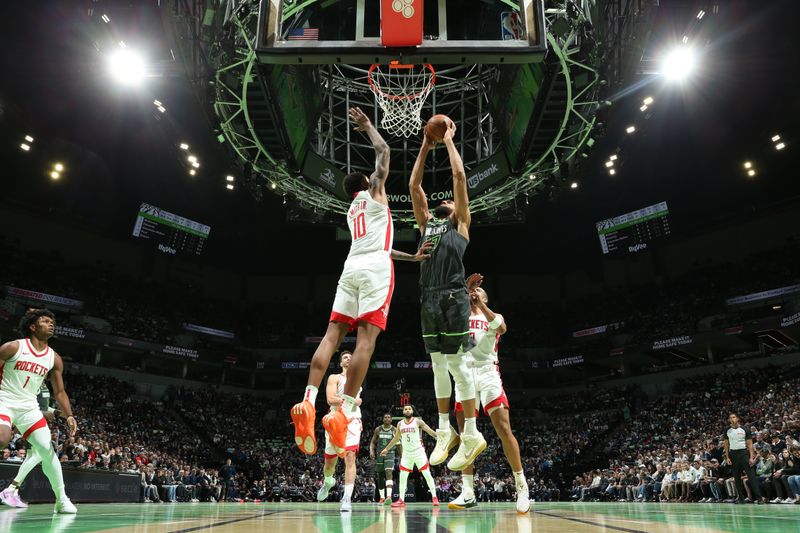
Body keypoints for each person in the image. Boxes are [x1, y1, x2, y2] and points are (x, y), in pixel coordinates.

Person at [291, 107, 431, 457]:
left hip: (351, 266)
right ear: (367, 183)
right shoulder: (375, 193)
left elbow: (379, 247)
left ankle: (308, 401)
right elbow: (385, 153)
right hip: (374, 269)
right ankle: (346, 412)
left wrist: (410, 257)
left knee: (332, 336)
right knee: (367, 338)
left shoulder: (353, 209)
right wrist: (369, 127)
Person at [408, 119, 485, 472]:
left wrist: (450, 141)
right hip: (427, 297)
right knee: (438, 364)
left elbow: (459, 180)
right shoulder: (426, 224)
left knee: (457, 364)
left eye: (451, 202)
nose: (446, 200)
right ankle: (443, 429)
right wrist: (426, 145)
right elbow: (414, 185)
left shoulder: (461, 224)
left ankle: (470, 431)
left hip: (453, 297)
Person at [448, 284, 530, 514]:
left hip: (487, 372)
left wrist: (480, 304)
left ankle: (521, 486)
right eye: (471, 292)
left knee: (504, 428)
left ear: (485, 297)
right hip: (465, 373)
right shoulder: (459, 318)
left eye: (479, 292)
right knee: (466, 435)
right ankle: (467, 491)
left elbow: (501, 328)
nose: (474, 294)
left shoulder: (493, 315)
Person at [0, 308, 78, 513]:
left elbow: (60, 392)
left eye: (52, 321)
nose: (51, 323)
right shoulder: (12, 347)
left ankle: (62, 500)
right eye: (45, 321)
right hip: (4, 400)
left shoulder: (54, 358)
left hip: (29, 407)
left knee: (46, 449)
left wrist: (69, 415)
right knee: (2, 439)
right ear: (33, 327)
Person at [0, 381, 68, 508]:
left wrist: (58, 412)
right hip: (31, 423)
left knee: (32, 456)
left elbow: (43, 406)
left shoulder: (43, 385)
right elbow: (30, 409)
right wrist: (53, 414)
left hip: (38, 424)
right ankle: (11, 489)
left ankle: (13, 492)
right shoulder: (31, 382)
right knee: (38, 456)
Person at [316, 351, 363, 512]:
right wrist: (351, 400)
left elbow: (359, 401)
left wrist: (356, 401)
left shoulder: (358, 377)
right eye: (345, 357)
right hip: (335, 420)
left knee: (350, 457)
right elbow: (330, 399)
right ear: (341, 362)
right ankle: (328, 481)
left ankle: (347, 498)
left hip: (353, 420)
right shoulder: (334, 378)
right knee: (330, 464)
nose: (349, 358)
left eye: (351, 357)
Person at [379, 405, 439, 508]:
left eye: (409, 409)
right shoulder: (399, 424)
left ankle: (434, 497)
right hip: (407, 454)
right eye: (405, 409)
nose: (407, 410)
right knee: (402, 477)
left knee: (427, 475)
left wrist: (439, 437)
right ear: (403, 411)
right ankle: (401, 500)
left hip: (418, 452)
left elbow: (429, 431)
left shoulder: (418, 421)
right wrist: (386, 449)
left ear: (412, 411)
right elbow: (396, 438)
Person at [723, 413, 764, 504]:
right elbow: (726, 444)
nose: (731, 419)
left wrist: (751, 457)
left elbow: (750, 444)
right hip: (733, 454)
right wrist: (727, 457)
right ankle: (741, 498)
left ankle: (759, 498)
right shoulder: (727, 430)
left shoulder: (745, 429)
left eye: (733, 417)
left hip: (743, 453)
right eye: (730, 418)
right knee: (736, 478)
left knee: (751, 476)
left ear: (737, 418)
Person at [369, 413, 399, 504]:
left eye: (389, 417)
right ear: (383, 419)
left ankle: (389, 496)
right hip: (379, 455)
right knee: (380, 476)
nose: (387, 418)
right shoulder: (378, 429)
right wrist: (371, 451)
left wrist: (402, 455)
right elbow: (373, 442)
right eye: (385, 417)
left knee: (388, 472)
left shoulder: (394, 430)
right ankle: (382, 497)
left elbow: (398, 443)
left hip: (390, 454)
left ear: (391, 419)